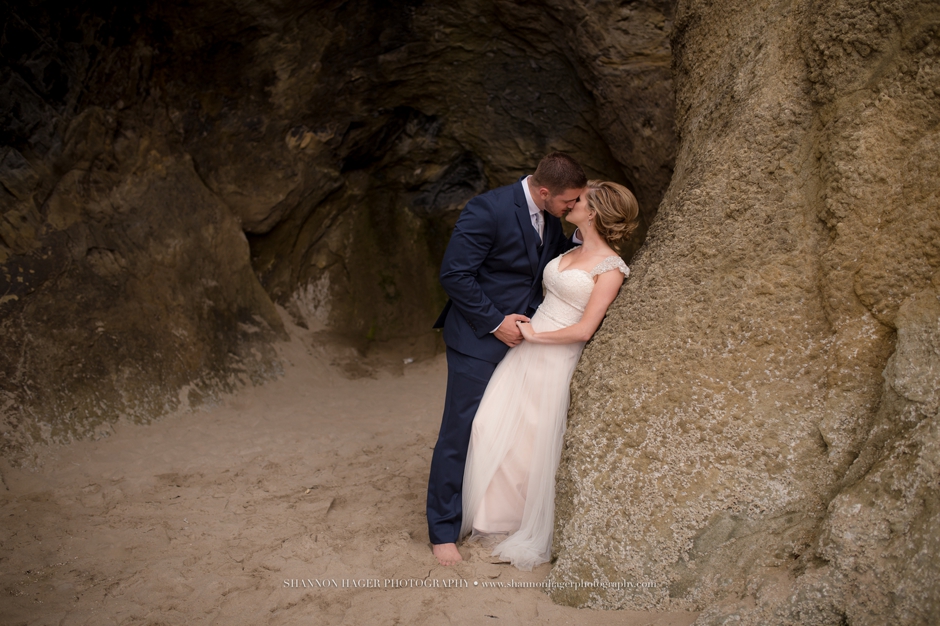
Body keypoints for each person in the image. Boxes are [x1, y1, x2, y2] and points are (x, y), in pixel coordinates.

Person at [459, 180, 639, 571]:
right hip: (526, 348)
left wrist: (537, 337)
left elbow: (585, 329)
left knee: (532, 442)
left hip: (554, 354)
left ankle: (517, 522)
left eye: (580, 200)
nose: (571, 203)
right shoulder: (568, 248)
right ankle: (492, 516)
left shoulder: (611, 269)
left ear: (592, 212)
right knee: (489, 425)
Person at [427, 152, 588, 566]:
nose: (572, 208)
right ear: (544, 191)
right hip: (478, 339)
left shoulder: (552, 215)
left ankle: (495, 513)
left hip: (529, 342)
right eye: (568, 201)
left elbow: (545, 266)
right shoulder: (487, 208)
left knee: (506, 428)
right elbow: (455, 274)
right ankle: (443, 532)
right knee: (461, 430)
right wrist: (496, 321)